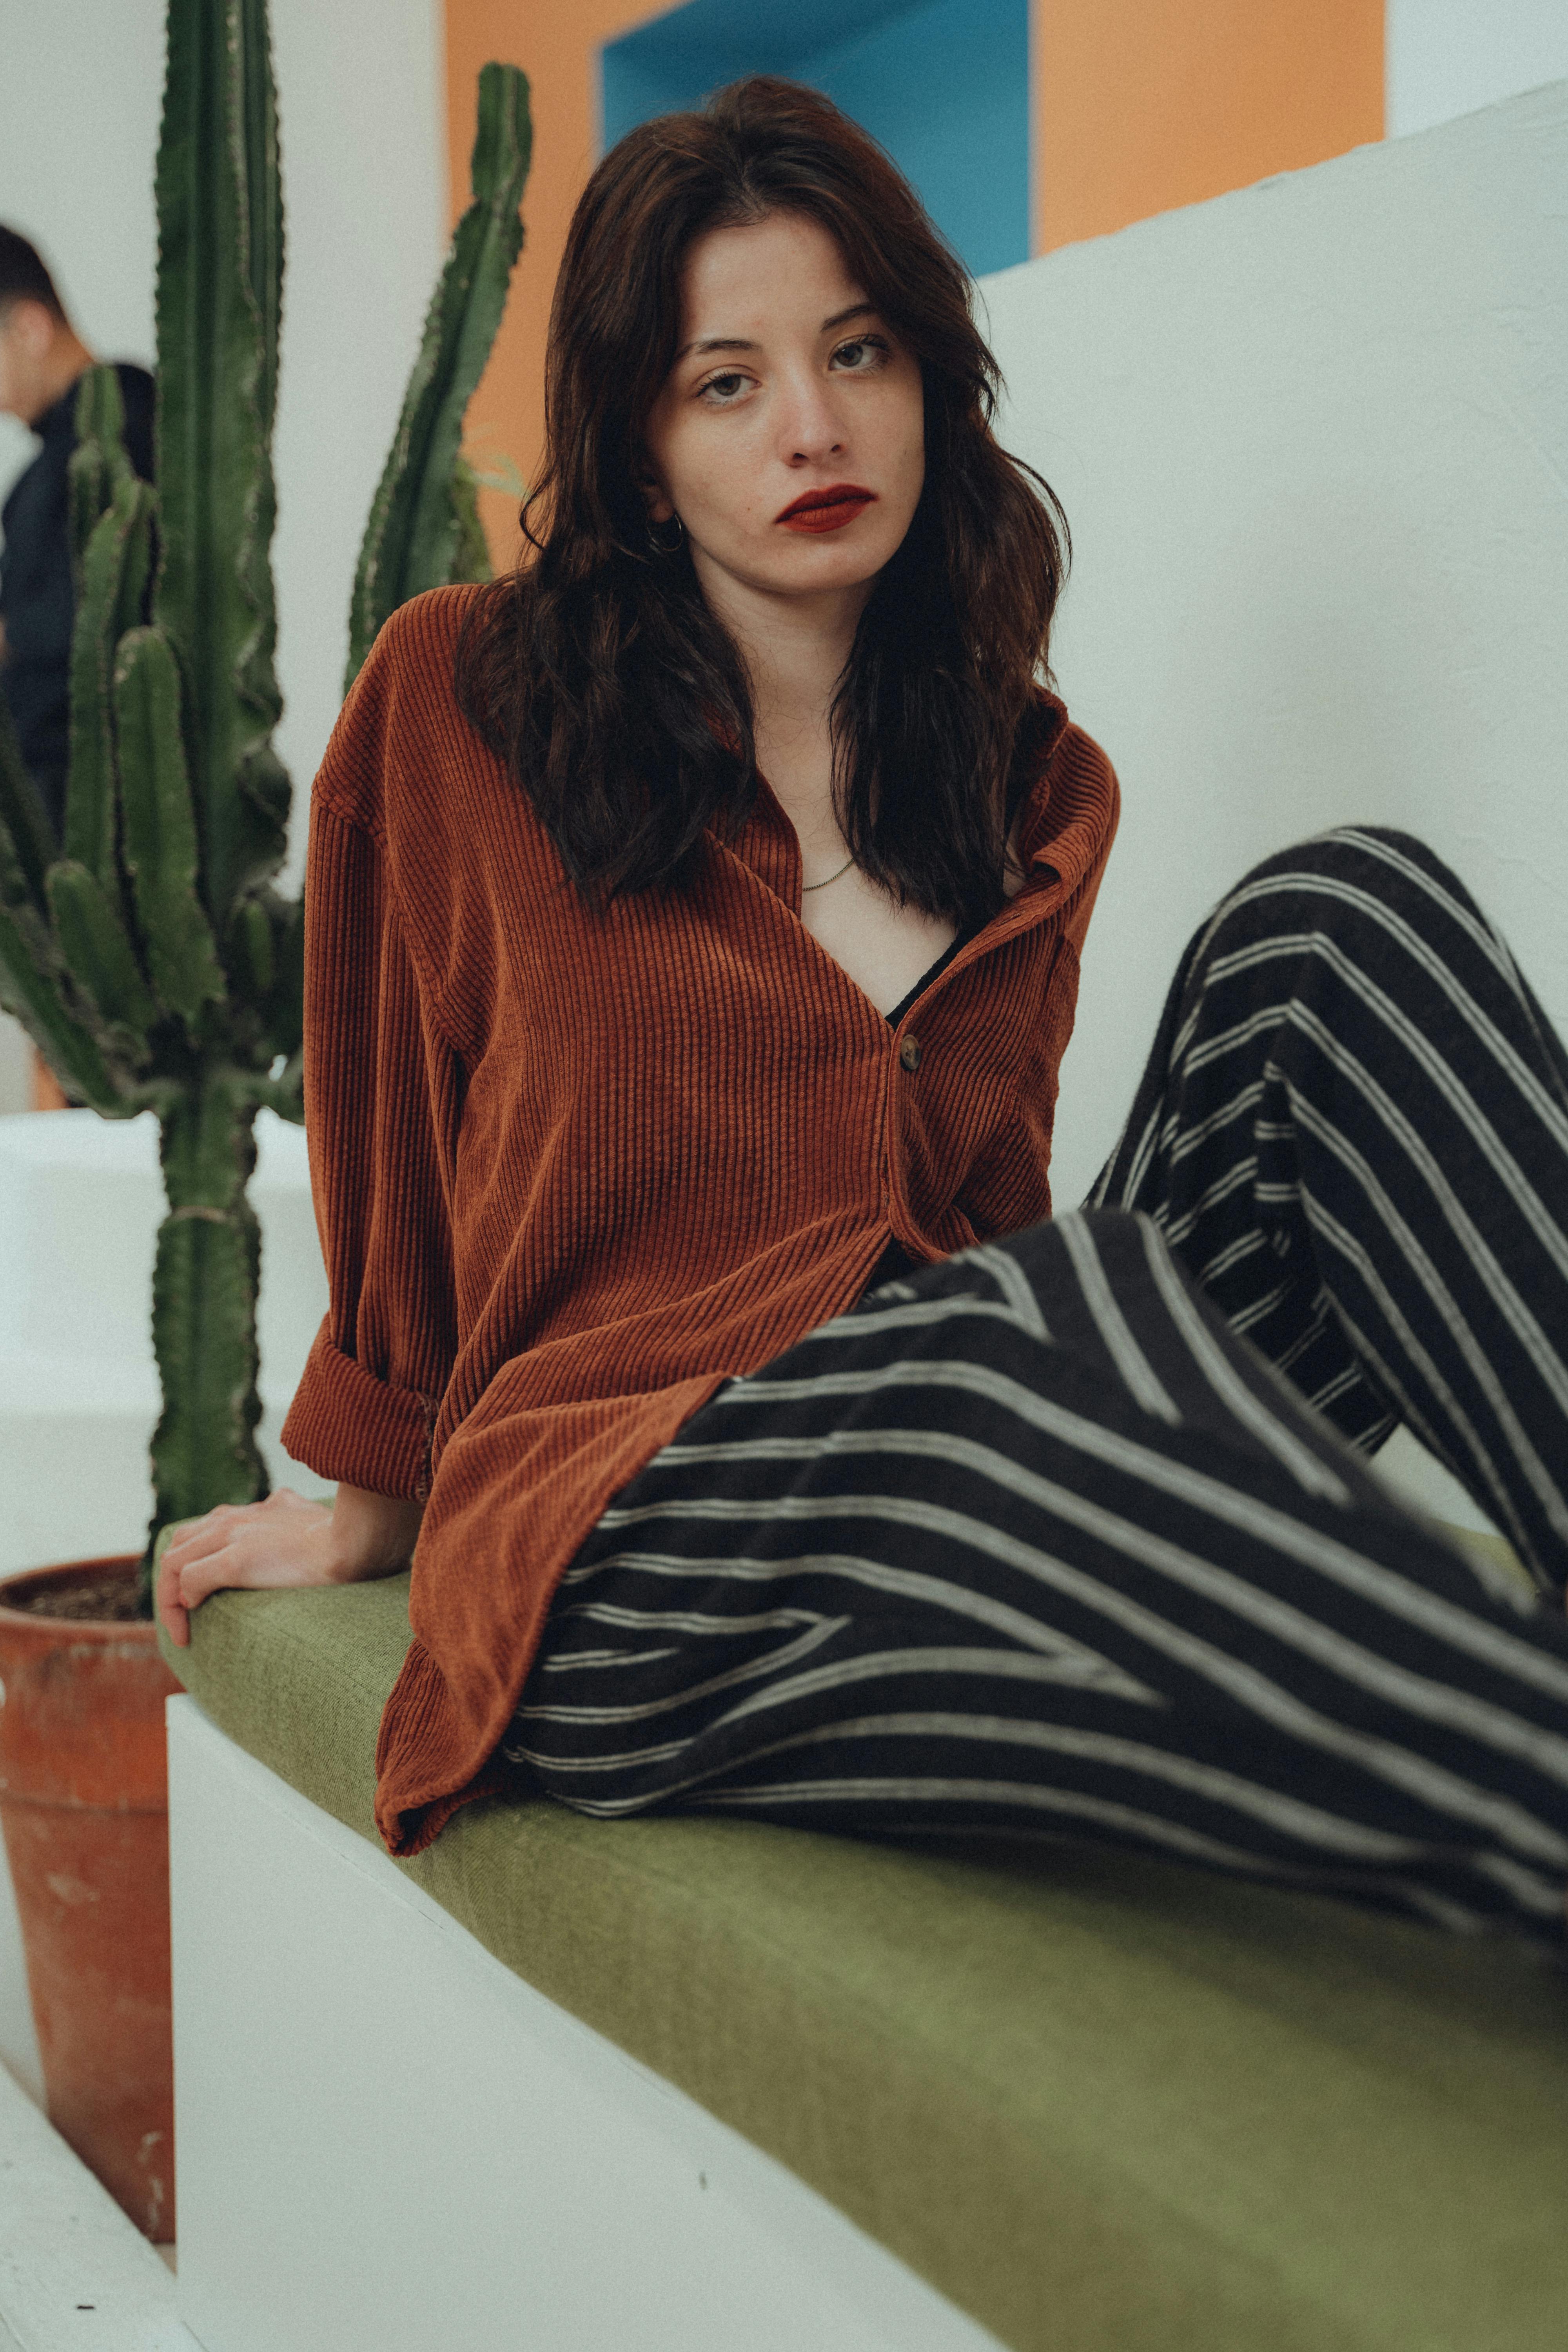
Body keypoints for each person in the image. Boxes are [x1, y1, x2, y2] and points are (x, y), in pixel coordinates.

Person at [158, 79, 1568, 1946]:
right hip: (638, 1541)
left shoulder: (1024, 782)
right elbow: (388, 1124)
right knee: (1012, 1336)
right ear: (639, 448)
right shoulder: (464, 698)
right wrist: (377, 1479)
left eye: (855, 352)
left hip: (942, 1467)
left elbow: (983, 1223)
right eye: (724, 382)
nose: (811, 428)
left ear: (927, 381)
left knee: (1334, 921)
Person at [0, 227, 154, 842]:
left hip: (92, 811)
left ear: (29, 328)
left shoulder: (125, 428)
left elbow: (82, 617)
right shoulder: (45, 471)